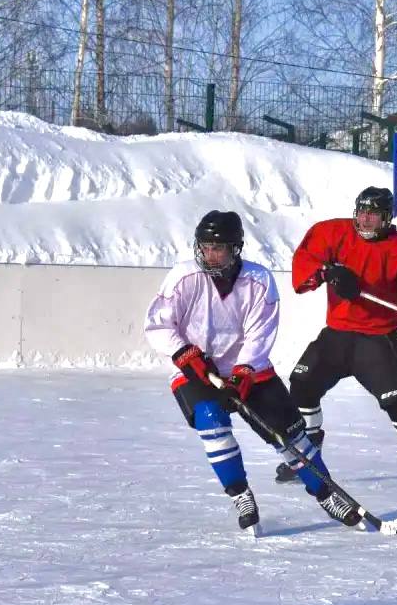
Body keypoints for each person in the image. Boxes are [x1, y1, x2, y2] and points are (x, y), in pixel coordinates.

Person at [144, 210, 363, 532]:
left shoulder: (259, 280)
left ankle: (326, 493)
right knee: (211, 421)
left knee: (288, 434)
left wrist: (242, 373)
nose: (209, 254)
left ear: (236, 248)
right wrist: (184, 352)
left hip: (251, 369)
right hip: (196, 370)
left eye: (217, 248)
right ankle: (240, 494)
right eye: (204, 247)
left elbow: (259, 334)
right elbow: (159, 324)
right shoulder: (183, 277)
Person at [272, 186, 397, 490]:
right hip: (336, 336)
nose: (365, 220)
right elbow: (305, 261)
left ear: (387, 218)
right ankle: (308, 450)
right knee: (301, 386)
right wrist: (328, 272)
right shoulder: (333, 233)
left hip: (377, 340)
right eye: (362, 212)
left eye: (373, 215)